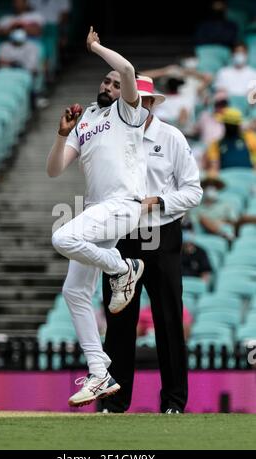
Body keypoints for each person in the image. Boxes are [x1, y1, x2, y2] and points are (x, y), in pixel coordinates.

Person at [47, 28, 154, 407]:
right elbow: (55, 171)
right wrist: (62, 136)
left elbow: (126, 68)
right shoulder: (87, 119)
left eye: (113, 82)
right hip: (98, 210)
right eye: (105, 81)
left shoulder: (129, 110)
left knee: (62, 239)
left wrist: (94, 47)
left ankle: (123, 267)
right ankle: (99, 372)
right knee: (74, 291)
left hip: (124, 204)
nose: (109, 84)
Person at [101, 75, 203, 414]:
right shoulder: (111, 139)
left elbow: (193, 191)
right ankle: (114, 402)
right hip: (122, 233)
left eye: (135, 102)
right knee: (119, 319)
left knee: (168, 318)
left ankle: (174, 401)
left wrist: (155, 202)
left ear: (148, 104)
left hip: (162, 233)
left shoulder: (171, 137)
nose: (130, 108)